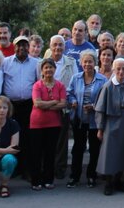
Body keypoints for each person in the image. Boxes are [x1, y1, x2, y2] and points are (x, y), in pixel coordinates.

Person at [96, 57, 124, 195]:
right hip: (112, 121)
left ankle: (120, 181)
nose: (121, 71)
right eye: (118, 69)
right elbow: (100, 109)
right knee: (110, 152)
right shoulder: (108, 86)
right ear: (113, 70)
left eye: (123, 69)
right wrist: (100, 128)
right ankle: (109, 183)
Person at [67, 50, 107, 188]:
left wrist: (94, 106)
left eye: (90, 61)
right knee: (77, 148)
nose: (87, 64)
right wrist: (72, 101)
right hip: (79, 118)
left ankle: (91, 176)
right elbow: (69, 93)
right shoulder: (76, 77)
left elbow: (105, 98)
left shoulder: (102, 79)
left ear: (95, 63)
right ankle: (74, 176)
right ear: (81, 63)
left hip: (94, 120)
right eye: (85, 61)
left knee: (94, 149)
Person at [2, 35, 40, 176]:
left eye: (25, 45)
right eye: (19, 45)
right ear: (14, 46)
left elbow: (38, 82)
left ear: (28, 47)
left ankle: (26, 169)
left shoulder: (36, 63)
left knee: (27, 137)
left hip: (29, 105)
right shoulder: (5, 62)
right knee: (12, 136)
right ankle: (13, 168)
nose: (22, 48)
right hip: (11, 105)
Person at [30, 58, 68, 190]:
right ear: (42, 70)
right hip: (37, 123)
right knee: (36, 153)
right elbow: (37, 103)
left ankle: (48, 179)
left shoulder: (60, 86)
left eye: (51, 67)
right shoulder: (37, 85)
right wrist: (53, 102)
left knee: (50, 153)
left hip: (54, 124)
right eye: (46, 68)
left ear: (55, 69)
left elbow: (63, 104)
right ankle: (36, 180)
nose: (48, 70)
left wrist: (46, 105)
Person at [45, 35, 78, 179]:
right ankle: (46, 167)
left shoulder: (71, 62)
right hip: (45, 108)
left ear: (65, 47)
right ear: (50, 46)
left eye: (60, 45)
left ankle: (60, 168)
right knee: (46, 139)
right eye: (55, 45)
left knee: (61, 140)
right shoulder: (42, 63)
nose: (58, 48)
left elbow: (75, 82)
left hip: (63, 107)